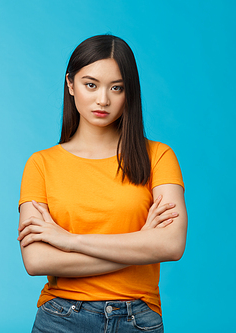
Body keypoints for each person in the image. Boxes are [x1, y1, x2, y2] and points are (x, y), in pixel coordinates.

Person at [17, 34, 187, 333]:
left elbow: (170, 245)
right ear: (70, 84)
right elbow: (37, 260)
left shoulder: (158, 157)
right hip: (61, 317)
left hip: (137, 319)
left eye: (116, 88)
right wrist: (139, 245)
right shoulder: (41, 164)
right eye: (91, 84)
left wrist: (70, 241)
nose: (103, 100)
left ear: (128, 92)